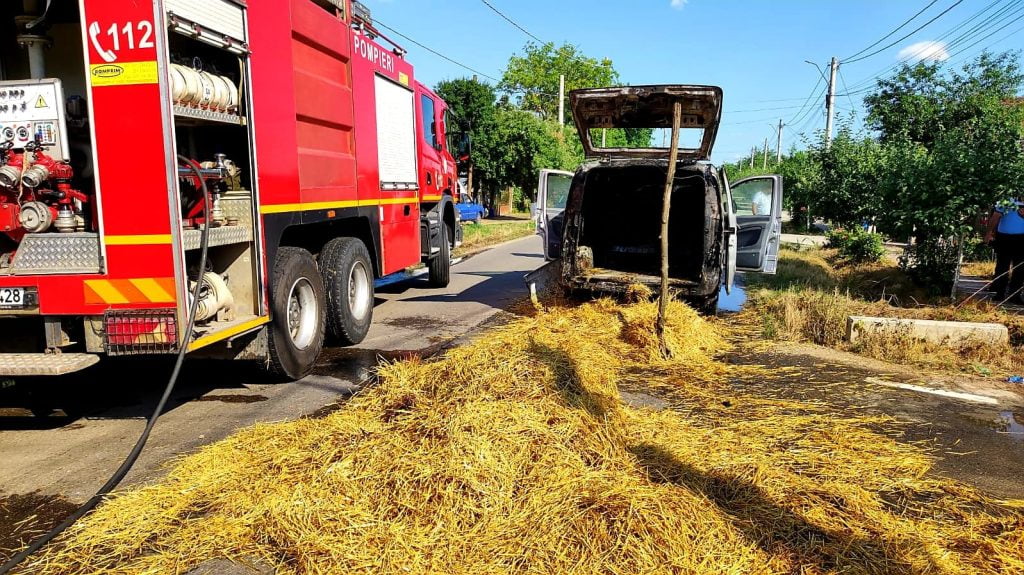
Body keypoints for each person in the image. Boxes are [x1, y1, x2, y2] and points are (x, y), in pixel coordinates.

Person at [985, 197, 1024, 302]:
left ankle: (1015, 295)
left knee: (1020, 268)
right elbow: (995, 216)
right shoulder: (1007, 201)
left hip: (1022, 239)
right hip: (1004, 238)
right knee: (1002, 266)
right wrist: (989, 233)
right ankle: (1000, 293)